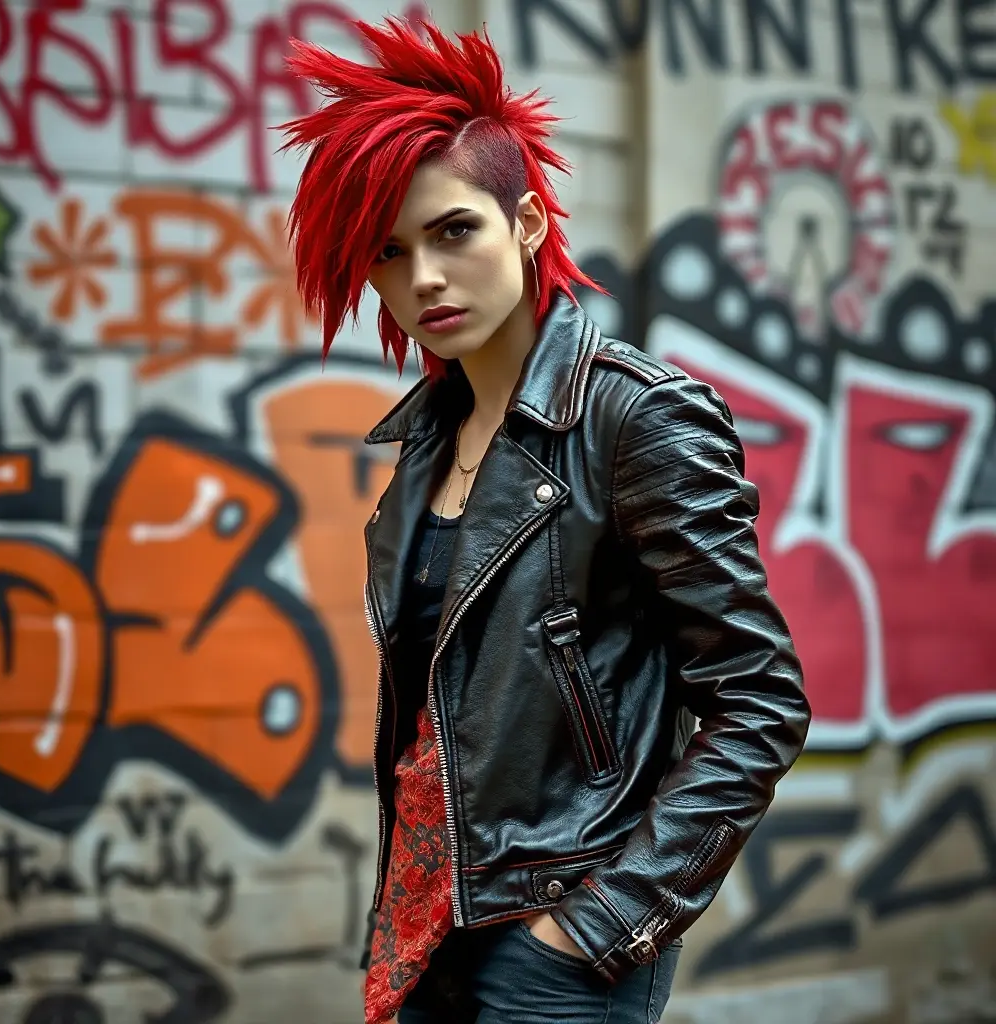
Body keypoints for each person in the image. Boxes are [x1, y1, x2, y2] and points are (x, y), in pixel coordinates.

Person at [281, 17, 811, 1024]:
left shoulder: (632, 416)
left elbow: (760, 701)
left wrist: (597, 926)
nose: (423, 279)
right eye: (388, 254)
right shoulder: (427, 445)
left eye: (453, 231)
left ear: (524, 224)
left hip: (560, 948)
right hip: (427, 929)